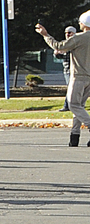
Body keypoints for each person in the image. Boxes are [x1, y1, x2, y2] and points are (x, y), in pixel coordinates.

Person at [35, 13, 90, 145]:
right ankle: (74, 135)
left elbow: (59, 46)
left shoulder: (79, 38)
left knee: (73, 104)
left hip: (79, 75)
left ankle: (86, 126)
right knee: (80, 106)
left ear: (84, 23)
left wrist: (45, 35)